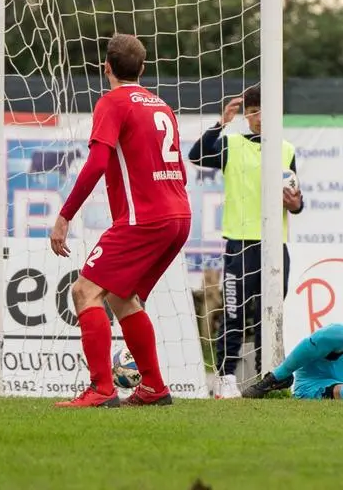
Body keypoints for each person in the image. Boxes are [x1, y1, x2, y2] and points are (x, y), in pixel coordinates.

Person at [50, 33, 192, 408]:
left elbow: (97, 163)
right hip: (179, 216)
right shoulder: (161, 105)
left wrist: (64, 216)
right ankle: (154, 387)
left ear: (106, 67)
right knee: (120, 296)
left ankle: (101, 389)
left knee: (84, 292)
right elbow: (180, 170)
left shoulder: (112, 102)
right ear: (143, 69)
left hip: (144, 219)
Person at [187, 85, 303, 399]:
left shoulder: (286, 149)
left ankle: (269, 377)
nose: (259, 118)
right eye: (253, 112)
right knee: (236, 311)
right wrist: (221, 122)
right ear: (247, 115)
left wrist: (294, 203)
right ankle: (225, 378)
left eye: (264, 111)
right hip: (240, 244)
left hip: (275, 246)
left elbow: (296, 200)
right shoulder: (232, 144)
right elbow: (196, 155)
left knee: (271, 311)